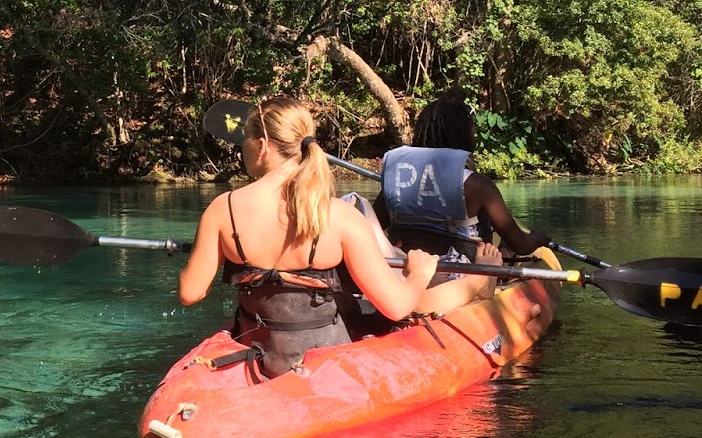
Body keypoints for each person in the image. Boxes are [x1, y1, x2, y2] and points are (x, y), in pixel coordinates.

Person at [177, 96, 499, 379]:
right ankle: (480, 284)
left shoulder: (223, 210)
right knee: (406, 304)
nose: (242, 147)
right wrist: (419, 274)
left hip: (260, 351)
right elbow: (397, 307)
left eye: (245, 139)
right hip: (326, 358)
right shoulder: (340, 217)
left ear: (261, 146)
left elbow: (190, 293)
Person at [379, 89, 550, 260]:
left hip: (410, 265)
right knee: (507, 244)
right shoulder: (479, 185)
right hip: (463, 272)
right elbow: (521, 246)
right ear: (462, 135)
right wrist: (537, 237)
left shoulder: (396, 181)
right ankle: (503, 270)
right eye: (472, 130)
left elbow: (375, 225)